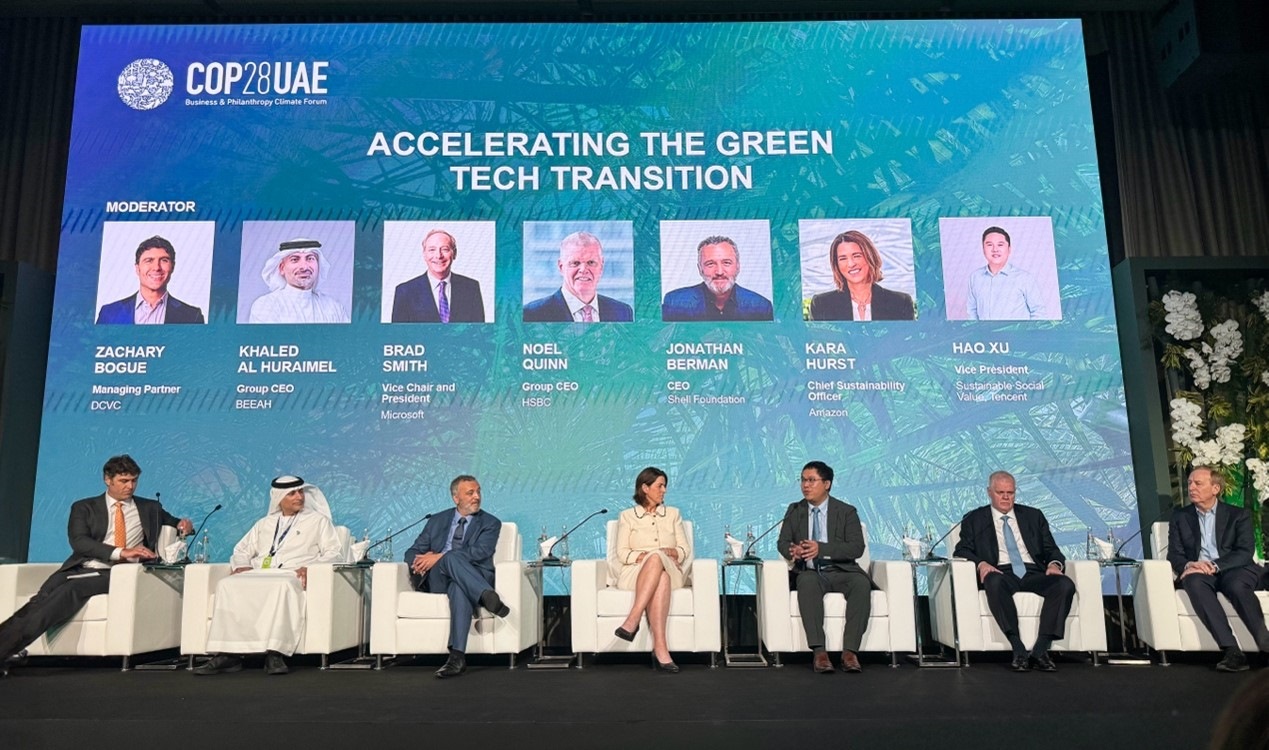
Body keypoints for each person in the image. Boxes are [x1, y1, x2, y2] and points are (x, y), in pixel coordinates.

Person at [0, 455, 193, 677]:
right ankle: (8, 650)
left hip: (116, 573)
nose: (130, 486)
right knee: (41, 600)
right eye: (123, 481)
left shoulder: (150, 507)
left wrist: (184, 525)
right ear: (107, 480)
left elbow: (177, 524)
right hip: (80, 568)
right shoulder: (84, 507)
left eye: (134, 481)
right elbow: (79, 542)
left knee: (69, 591)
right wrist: (120, 551)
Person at [193, 476, 344, 676]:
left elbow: (334, 552)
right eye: (292, 493)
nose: (299, 497)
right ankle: (228, 654)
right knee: (226, 584)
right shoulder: (264, 523)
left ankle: (275, 653)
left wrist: (311, 567)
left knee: (282, 586)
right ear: (279, 497)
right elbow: (241, 550)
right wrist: (242, 566)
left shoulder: (318, 521)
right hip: (260, 572)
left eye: (300, 492)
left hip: (291, 573)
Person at [952, 470, 1075, 672]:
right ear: (989, 492)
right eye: (1000, 492)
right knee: (993, 581)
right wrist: (981, 563)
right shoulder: (974, 518)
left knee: (1064, 584)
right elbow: (962, 549)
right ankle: (1018, 648)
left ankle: (1040, 649)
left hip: (1033, 572)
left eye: (1010, 493)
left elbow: (1052, 549)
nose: (1006, 497)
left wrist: (1054, 564)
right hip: (1001, 572)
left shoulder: (1033, 516)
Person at [404, 474, 510, 678]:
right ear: (456, 498)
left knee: (458, 585)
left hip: (473, 575)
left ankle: (457, 658)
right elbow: (412, 552)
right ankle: (485, 595)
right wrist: (419, 563)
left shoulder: (490, 522)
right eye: (470, 493)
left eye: (478, 491)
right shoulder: (436, 521)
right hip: (439, 579)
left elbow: (481, 552)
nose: (476, 496)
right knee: (450, 561)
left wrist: (439, 557)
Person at [1168, 465, 1269, 672]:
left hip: (1235, 568)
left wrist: (1214, 565)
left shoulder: (1238, 515)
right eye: (1190, 483)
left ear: (1215, 488)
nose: (1191, 488)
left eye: (1198, 483)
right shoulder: (1181, 517)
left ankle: (1266, 647)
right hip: (1200, 572)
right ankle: (1232, 651)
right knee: (1193, 581)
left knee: (1236, 586)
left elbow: (1244, 551)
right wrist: (1189, 565)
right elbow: (1174, 554)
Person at [777, 461, 872, 673]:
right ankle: (819, 652)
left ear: (827, 484)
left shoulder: (846, 512)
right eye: (803, 480)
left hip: (842, 571)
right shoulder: (795, 510)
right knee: (806, 581)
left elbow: (856, 547)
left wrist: (822, 549)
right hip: (811, 571)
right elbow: (782, 542)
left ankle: (850, 652)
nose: (805, 485)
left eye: (811, 480)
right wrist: (793, 551)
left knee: (860, 583)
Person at [611, 467, 691, 673]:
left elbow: (684, 550)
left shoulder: (673, 514)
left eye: (665, 486)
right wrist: (648, 556)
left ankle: (633, 619)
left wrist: (669, 552)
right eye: (660, 486)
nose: (664, 490)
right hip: (635, 572)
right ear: (645, 488)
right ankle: (661, 649)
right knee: (659, 572)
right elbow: (622, 553)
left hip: (671, 570)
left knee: (658, 561)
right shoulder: (627, 516)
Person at [523, 231, 633, 322]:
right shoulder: (533, 314)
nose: (583, 270)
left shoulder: (622, 312)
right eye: (575, 263)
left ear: (601, 266)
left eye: (591, 262)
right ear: (561, 267)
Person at [808, 230, 914, 321]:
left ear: (870, 257)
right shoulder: (821, 304)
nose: (851, 264)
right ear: (837, 265)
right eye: (843, 258)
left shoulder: (901, 303)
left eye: (857, 256)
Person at [96, 235, 205, 324]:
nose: (156, 267)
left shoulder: (192, 316)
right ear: (137, 268)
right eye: (149, 260)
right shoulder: (109, 313)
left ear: (172, 267)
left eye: (164, 260)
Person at [661, 235, 773, 321]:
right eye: (710, 264)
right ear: (700, 269)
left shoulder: (761, 307)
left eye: (726, 263)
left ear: (738, 267)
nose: (719, 272)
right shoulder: (675, 304)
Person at [391, 229, 486, 323]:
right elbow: (398, 331)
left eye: (445, 249)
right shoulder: (405, 292)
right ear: (424, 255)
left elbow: (480, 330)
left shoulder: (471, 288)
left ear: (454, 254)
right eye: (432, 250)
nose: (438, 255)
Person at [247, 238, 350, 324]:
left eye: (310, 258)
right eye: (295, 259)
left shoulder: (334, 308)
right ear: (282, 268)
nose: (304, 267)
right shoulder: (266, 306)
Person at [965, 226, 1046, 320]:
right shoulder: (975, 277)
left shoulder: (1024, 278)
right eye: (989, 245)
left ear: (1009, 249)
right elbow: (972, 311)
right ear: (983, 249)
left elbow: (1039, 311)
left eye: (1000, 245)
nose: (995, 249)